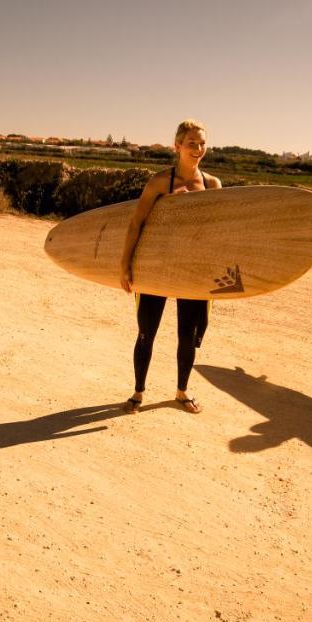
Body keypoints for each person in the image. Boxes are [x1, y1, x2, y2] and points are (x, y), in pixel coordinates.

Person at [118, 119, 221, 415]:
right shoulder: (161, 182)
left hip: (192, 269)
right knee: (146, 332)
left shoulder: (212, 185)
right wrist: (125, 265)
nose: (198, 149)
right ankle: (138, 393)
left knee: (187, 335)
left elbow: (218, 231)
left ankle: (181, 392)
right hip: (157, 266)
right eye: (192, 143)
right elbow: (136, 223)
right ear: (177, 146)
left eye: (202, 143)